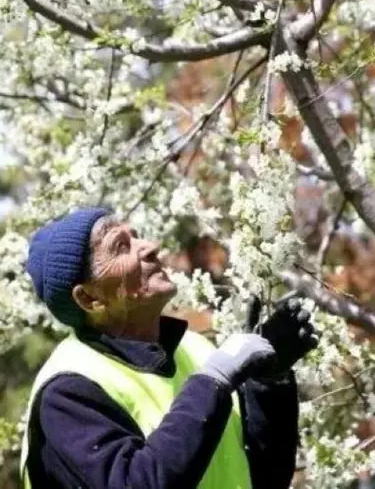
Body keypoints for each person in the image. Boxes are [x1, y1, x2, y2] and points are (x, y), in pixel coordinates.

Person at [19, 207, 319, 489]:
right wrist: (213, 382)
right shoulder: (67, 391)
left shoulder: (194, 349)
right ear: (90, 299)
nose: (149, 247)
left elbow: (265, 478)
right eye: (121, 246)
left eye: (135, 235)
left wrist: (267, 383)